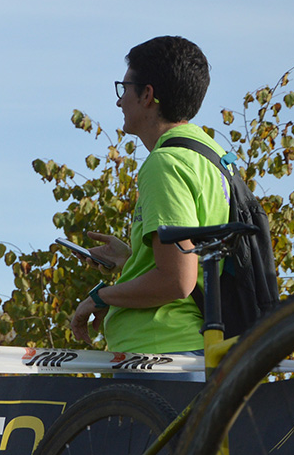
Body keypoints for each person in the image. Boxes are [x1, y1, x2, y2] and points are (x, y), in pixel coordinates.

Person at [70, 36, 228, 381]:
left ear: (147, 95)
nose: (119, 102)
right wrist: (131, 260)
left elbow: (176, 281)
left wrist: (100, 297)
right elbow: (197, 264)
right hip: (196, 352)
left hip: (162, 357)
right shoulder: (211, 157)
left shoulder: (165, 164)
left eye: (124, 88)